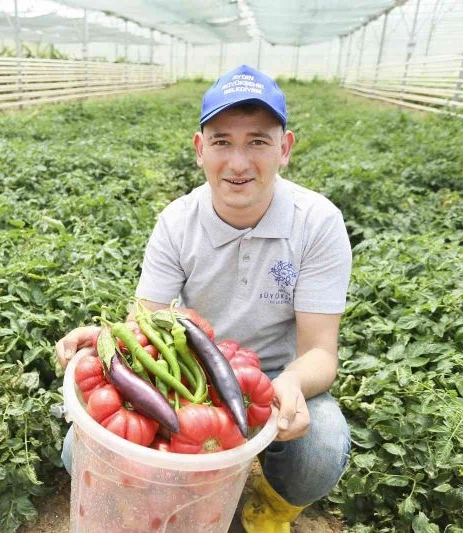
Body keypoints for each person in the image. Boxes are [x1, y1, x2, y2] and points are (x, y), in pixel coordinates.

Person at [55, 64, 352, 532]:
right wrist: (107, 338)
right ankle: (172, 505)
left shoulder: (317, 222)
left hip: (271, 383)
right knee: (81, 450)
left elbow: (320, 350)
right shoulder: (177, 222)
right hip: (188, 375)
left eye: (257, 141)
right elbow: (148, 326)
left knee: (322, 446)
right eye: (221, 142)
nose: (238, 163)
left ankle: (266, 509)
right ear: (199, 150)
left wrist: (291, 385)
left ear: (285, 149)